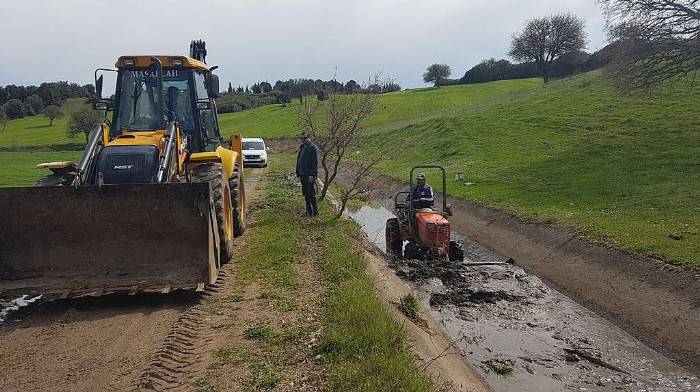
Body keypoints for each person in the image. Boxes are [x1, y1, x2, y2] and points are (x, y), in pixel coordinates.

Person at [296, 132, 319, 216]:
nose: (302, 140)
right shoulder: (302, 147)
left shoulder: (313, 148)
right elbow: (299, 160)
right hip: (302, 175)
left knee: (311, 195)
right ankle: (308, 212)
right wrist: (298, 172)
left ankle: (315, 213)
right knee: (305, 194)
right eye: (301, 138)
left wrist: (312, 175)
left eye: (304, 138)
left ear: (309, 138)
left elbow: (315, 163)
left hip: (309, 175)